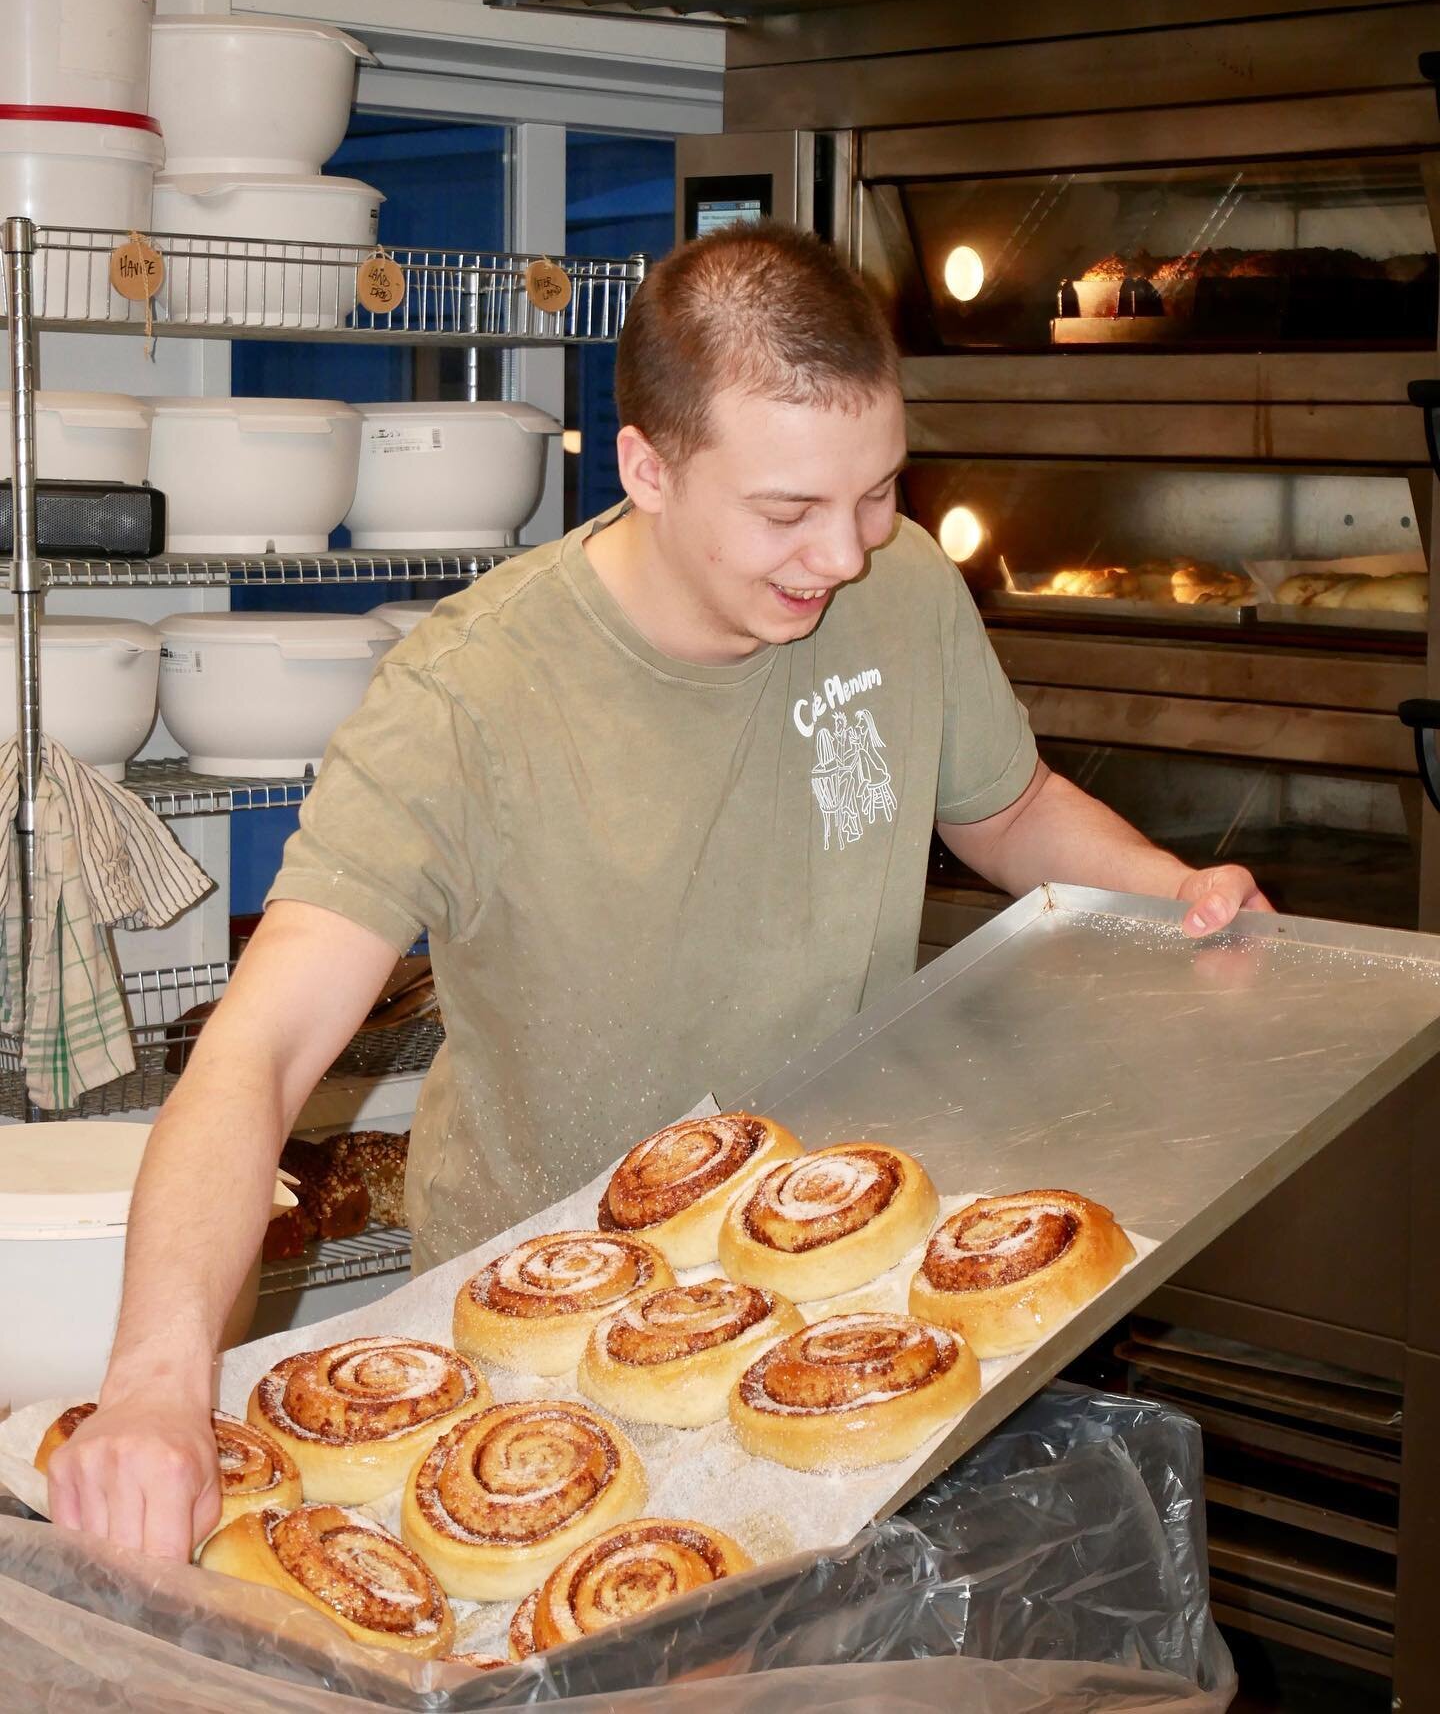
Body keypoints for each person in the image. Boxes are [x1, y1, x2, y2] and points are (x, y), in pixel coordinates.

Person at [48, 222, 1268, 1558]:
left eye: (875, 493)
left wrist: (1171, 891)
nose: (847, 554)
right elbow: (259, 1051)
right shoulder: (467, 700)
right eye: (789, 511)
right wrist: (157, 1387)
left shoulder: (902, 588)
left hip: (825, 1291)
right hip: (541, 1354)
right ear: (645, 468)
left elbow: (1009, 807)